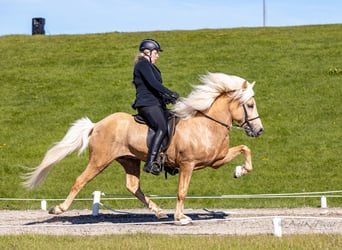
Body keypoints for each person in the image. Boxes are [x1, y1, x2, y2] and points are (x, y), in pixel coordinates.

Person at [132, 38, 179, 175]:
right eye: (156, 53)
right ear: (148, 52)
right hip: (147, 104)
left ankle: (166, 160)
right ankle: (150, 162)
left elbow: (153, 88)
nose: (157, 56)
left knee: (174, 119)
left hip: (156, 103)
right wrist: (169, 93)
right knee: (162, 127)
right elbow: (153, 83)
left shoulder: (149, 66)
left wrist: (166, 98)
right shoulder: (142, 64)